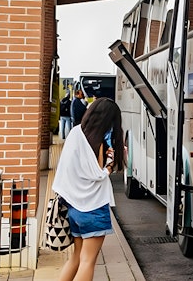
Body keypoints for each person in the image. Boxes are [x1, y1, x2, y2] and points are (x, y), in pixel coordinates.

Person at [53, 97, 126, 281]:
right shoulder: (98, 143)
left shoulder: (76, 133)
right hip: (93, 208)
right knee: (88, 261)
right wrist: (110, 165)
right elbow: (98, 174)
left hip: (74, 208)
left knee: (76, 258)